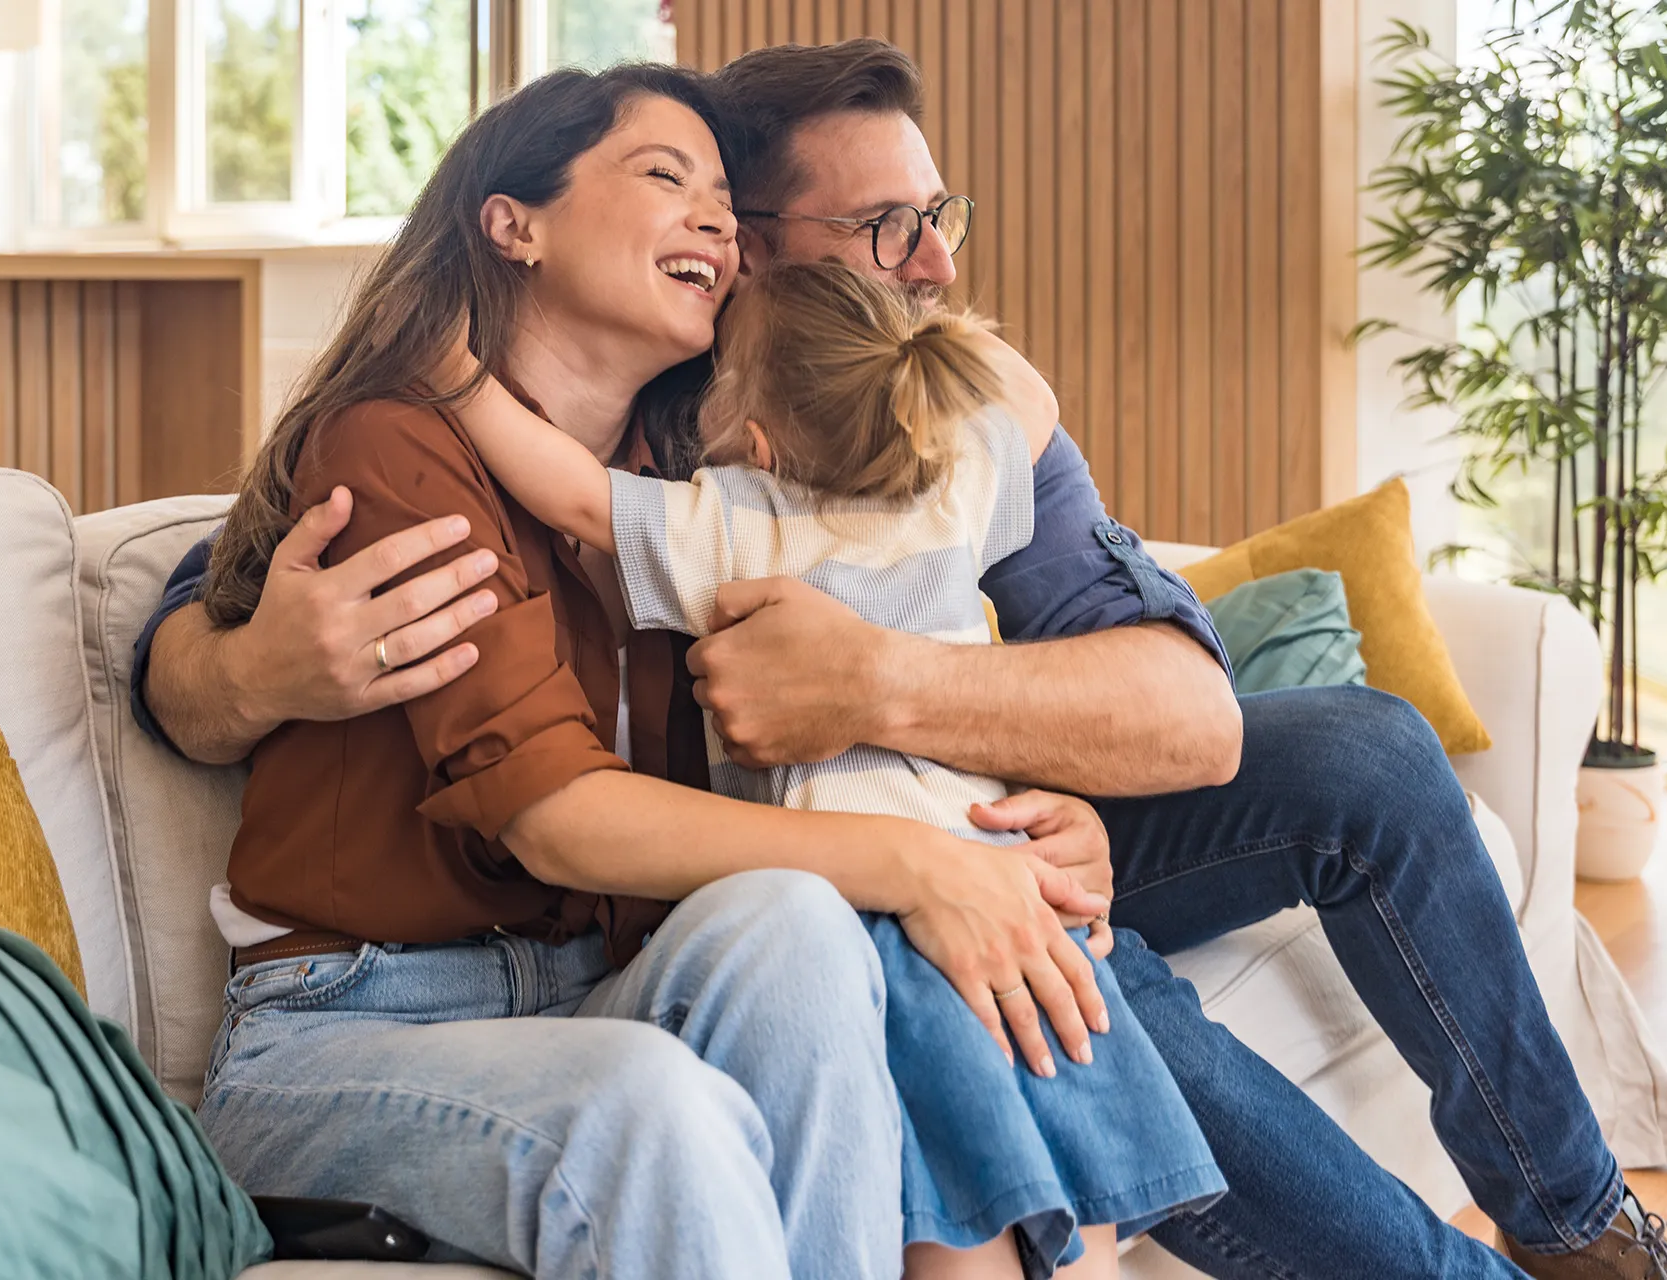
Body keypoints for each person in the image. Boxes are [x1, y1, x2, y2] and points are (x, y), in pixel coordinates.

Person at [135, 39, 1667, 1280]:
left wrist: (926, 717)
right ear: (749, 254)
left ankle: (1575, 1220)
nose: (933, 265)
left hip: (919, 805)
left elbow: (1186, 710)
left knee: (1361, 754)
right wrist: (245, 670)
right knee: (1041, 966)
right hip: (779, 867)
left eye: (940, 218)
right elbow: (223, 596)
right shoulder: (640, 419)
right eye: (887, 230)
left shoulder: (939, 408)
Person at [177, 61, 1122, 1280]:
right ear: (512, 223)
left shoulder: (714, 473)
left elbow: (900, 652)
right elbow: (556, 817)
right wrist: (921, 862)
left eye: (725, 197)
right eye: (664, 176)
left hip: (598, 984)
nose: (717, 218)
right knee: (648, 1100)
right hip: (351, 1024)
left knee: (795, 918)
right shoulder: (392, 439)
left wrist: (1017, 827)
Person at [442, 256, 1228, 1276]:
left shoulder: (740, 522)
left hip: (887, 921)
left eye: (723, 379)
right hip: (1017, 886)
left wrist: (454, 372)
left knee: (958, 1210)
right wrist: (919, 335)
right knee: (1083, 1214)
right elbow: (1032, 399)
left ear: (757, 438)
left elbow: (575, 496)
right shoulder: (963, 482)